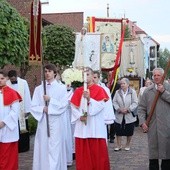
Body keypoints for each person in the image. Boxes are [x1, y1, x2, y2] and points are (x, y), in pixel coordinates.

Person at [70, 67, 110, 170]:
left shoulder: (99, 90)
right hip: (82, 128)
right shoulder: (78, 90)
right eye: (83, 74)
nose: (85, 77)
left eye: (87, 74)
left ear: (93, 76)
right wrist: (80, 116)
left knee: (97, 156)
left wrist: (89, 99)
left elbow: (100, 107)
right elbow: (73, 107)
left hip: (95, 128)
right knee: (84, 158)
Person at [31, 64, 68, 170]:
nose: (47, 73)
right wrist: (43, 109)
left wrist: (51, 101)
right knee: (43, 147)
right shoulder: (39, 89)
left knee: (54, 148)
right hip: (43, 122)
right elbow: (33, 106)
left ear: (54, 73)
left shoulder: (61, 88)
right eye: (46, 71)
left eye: (49, 71)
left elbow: (63, 105)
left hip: (56, 122)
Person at [138, 68, 170, 170]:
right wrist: (143, 122)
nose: (156, 77)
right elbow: (141, 108)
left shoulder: (168, 88)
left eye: (158, 75)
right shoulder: (148, 91)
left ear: (163, 76)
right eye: (154, 75)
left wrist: (164, 92)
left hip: (167, 127)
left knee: (167, 156)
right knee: (153, 156)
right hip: (152, 127)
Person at [0, 71, 22, 170]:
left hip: (8, 128)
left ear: (6, 79)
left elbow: (14, 111)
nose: (0, 81)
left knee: (8, 156)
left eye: (2, 78)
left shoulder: (13, 93)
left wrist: (4, 122)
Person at [7, 70, 31, 153]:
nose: (12, 80)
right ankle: (14, 146)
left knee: (23, 129)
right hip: (11, 110)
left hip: (22, 109)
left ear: (16, 76)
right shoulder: (7, 83)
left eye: (14, 78)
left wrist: (28, 109)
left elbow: (27, 95)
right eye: (11, 79)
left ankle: (24, 147)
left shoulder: (23, 82)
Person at [113, 78, 138, 151]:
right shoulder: (117, 92)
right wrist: (119, 109)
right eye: (121, 83)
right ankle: (118, 145)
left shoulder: (132, 92)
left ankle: (127, 144)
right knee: (118, 130)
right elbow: (114, 102)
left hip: (129, 114)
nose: (122, 85)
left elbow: (135, 102)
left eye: (124, 83)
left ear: (128, 84)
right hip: (119, 114)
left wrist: (128, 109)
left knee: (129, 131)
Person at [93, 71, 115, 139]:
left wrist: (107, 118)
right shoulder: (87, 89)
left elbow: (108, 105)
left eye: (95, 77)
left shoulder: (105, 89)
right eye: (92, 77)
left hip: (101, 116)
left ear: (99, 78)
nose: (93, 79)